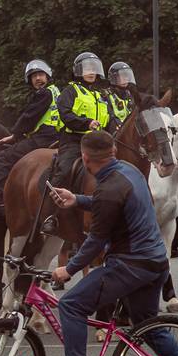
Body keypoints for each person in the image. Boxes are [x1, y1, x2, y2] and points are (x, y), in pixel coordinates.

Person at [39, 131, 178, 356]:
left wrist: (68, 269)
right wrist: (78, 199)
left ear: (84, 157)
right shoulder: (128, 171)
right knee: (148, 323)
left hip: (130, 265)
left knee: (71, 304)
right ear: (114, 151)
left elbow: (94, 242)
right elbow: (112, 203)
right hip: (155, 263)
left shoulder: (108, 189)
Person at [42, 52, 117, 235]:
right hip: (74, 141)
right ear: (78, 71)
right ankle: (51, 215)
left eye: (94, 68)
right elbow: (65, 114)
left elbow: (111, 118)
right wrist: (86, 123)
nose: (91, 72)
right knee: (66, 169)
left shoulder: (102, 95)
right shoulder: (70, 91)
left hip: (99, 143)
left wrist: (116, 128)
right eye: (87, 68)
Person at [0, 60, 64, 221]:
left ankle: (1, 204)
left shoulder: (43, 94)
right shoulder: (57, 92)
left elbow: (29, 118)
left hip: (42, 139)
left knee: (2, 159)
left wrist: (15, 135)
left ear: (47, 76)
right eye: (34, 76)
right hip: (57, 138)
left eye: (40, 75)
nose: (37, 79)